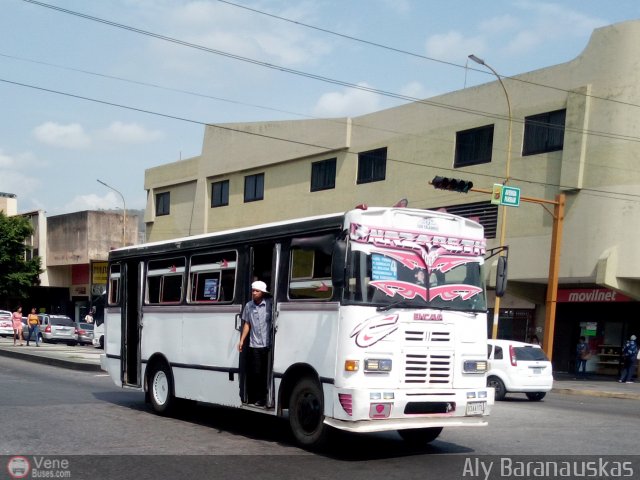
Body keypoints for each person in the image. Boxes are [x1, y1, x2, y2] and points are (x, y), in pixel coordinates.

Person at [238, 280, 272, 407]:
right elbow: (247, 324)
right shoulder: (248, 306)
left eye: (257, 291)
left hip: (268, 345)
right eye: (253, 291)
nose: (254, 293)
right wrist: (242, 340)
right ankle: (259, 398)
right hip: (255, 345)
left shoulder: (269, 305)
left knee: (266, 372)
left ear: (262, 293)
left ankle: (267, 396)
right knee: (257, 372)